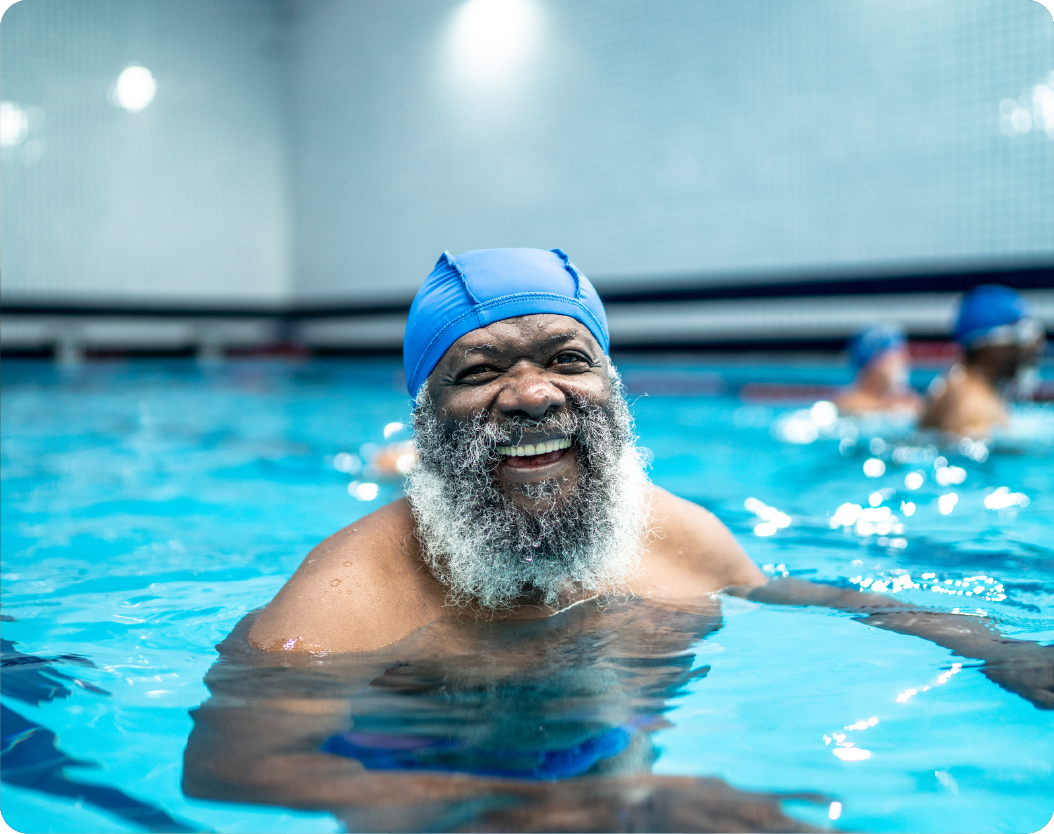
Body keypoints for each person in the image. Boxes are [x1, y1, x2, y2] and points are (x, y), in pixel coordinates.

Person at [183, 250, 1052, 830]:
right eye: (479, 372)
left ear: (611, 385)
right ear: (424, 420)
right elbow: (230, 765)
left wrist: (996, 648)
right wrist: (568, 808)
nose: (531, 395)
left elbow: (807, 597)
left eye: (566, 359)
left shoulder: (673, 532)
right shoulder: (350, 593)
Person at [921, 285, 1046, 438]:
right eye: (1022, 340)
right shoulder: (972, 406)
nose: (1029, 351)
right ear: (988, 348)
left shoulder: (962, 385)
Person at [835, 324, 921, 415]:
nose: (905, 362)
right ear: (874, 363)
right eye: (897, 357)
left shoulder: (907, 402)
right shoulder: (847, 404)